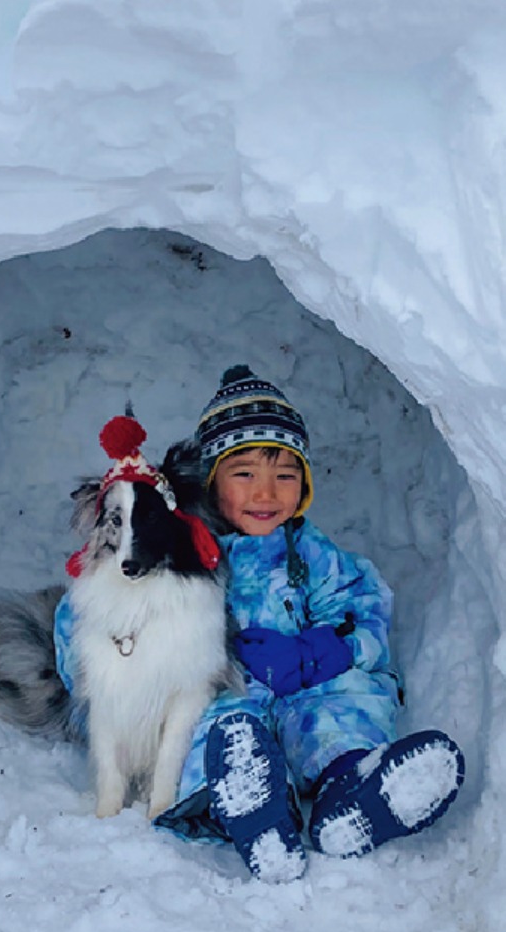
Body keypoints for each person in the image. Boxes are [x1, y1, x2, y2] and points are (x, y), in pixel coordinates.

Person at [60, 365, 465, 882]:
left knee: (345, 704)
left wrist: (319, 653)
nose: (266, 493)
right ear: (210, 484)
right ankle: (253, 810)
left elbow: (362, 609)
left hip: (307, 691)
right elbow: (93, 620)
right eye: (244, 474)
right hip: (231, 699)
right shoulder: (187, 553)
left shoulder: (314, 555)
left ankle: (354, 790)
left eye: (286, 475)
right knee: (211, 732)